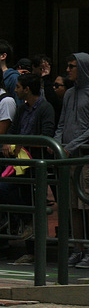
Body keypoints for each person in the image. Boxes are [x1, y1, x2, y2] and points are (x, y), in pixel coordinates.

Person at [54, 53, 89, 269]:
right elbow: (62, 123)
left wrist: (71, 146)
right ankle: (78, 248)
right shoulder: (69, 94)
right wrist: (56, 144)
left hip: (85, 156)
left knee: (88, 204)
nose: (68, 70)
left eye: (72, 66)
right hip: (67, 155)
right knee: (72, 205)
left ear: (82, 68)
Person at [1, 73, 55, 263]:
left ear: (27, 89)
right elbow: (14, 130)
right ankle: (24, 223)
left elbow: (47, 134)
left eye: (18, 86)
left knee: (33, 202)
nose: (15, 90)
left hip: (34, 164)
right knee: (9, 191)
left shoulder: (45, 108)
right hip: (19, 163)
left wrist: (24, 144)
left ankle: (34, 249)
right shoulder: (23, 109)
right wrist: (11, 144)